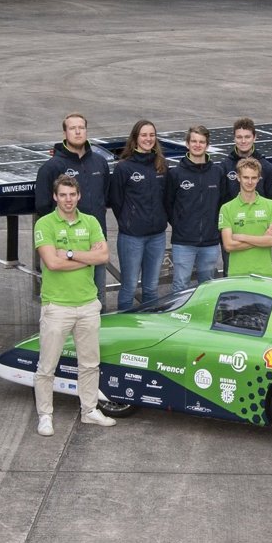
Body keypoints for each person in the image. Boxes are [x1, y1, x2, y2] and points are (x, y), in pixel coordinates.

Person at [32, 175, 113, 436]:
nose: (68, 200)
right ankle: (45, 415)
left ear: (79, 196)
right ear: (55, 197)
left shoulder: (90, 222)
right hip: (57, 306)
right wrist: (87, 258)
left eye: (72, 195)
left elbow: (103, 256)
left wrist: (69, 254)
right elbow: (51, 263)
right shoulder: (44, 223)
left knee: (90, 364)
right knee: (47, 366)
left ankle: (89, 410)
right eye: (63, 195)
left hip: (88, 304)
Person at [34, 113, 115, 306]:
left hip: (94, 244)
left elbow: (104, 198)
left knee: (97, 301)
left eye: (81, 128)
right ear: (65, 133)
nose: (78, 132)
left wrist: (95, 246)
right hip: (63, 246)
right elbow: (43, 207)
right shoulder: (51, 168)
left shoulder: (100, 162)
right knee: (65, 302)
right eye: (72, 128)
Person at [110, 119, 172, 312]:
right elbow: (116, 201)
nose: (148, 139)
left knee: (151, 288)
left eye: (152, 135)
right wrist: (129, 221)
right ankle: (124, 326)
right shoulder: (124, 167)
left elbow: (167, 197)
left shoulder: (161, 165)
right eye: (144, 135)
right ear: (135, 138)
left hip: (157, 237)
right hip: (132, 238)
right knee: (129, 288)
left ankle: (148, 326)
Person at [167, 124, 228, 293]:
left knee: (207, 287)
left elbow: (223, 204)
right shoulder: (176, 174)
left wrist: (214, 228)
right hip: (183, 242)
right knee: (180, 286)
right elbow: (168, 204)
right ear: (187, 144)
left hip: (210, 242)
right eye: (193, 141)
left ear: (207, 145)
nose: (197, 145)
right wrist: (181, 225)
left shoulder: (217, 172)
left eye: (201, 142)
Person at [219, 158, 272, 276]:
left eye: (253, 178)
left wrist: (242, 237)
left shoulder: (271, 206)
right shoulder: (226, 208)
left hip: (265, 274)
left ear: (259, 179)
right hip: (237, 275)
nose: (249, 182)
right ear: (238, 177)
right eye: (245, 177)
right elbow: (228, 246)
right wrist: (263, 239)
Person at [224, 117, 272, 202]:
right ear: (234, 138)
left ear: (254, 137)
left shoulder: (266, 167)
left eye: (247, 137)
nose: (243, 141)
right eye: (239, 137)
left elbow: (271, 197)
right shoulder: (224, 167)